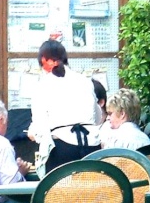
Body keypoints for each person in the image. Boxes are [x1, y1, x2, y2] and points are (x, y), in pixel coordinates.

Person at [27, 39, 101, 176]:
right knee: (91, 194)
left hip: (62, 148)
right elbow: (98, 118)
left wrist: (33, 134)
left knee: (58, 196)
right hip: (92, 147)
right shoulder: (85, 81)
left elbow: (40, 125)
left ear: (44, 60)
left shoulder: (43, 85)